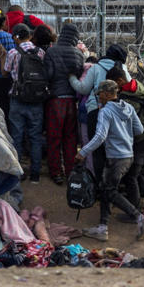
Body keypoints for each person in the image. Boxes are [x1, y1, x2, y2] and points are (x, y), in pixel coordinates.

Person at [75, 80, 144, 242]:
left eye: (100, 95)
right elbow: (139, 130)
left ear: (107, 94)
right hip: (128, 155)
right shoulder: (129, 108)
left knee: (109, 190)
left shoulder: (106, 112)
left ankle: (138, 216)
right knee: (106, 188)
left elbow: (100, 136)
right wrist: (123, 133)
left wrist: (83, 152)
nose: (99, 98)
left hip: (115, 157)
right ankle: (102, 227)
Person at [105, 63, 144, 216]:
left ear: (120, 81)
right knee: (137, 173)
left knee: (131, 176)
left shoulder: (127, 99)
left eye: (113, 85)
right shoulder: (138, 88)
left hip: (139, 142)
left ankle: (135, 212)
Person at [69, 44, 130, 183]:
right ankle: (113, 181)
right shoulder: (123, 70)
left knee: (94, 146)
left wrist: (71, 78)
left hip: (95, 110)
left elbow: (83, 89)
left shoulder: (95, 68)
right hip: (116, 110)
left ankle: (95, 180)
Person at [1, 23, 46, 183]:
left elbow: (5, 72)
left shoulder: (13, 52)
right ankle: (35, 175)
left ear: (16, 37)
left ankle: (17, 174)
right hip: (36, 99)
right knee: (35, 137)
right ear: (30, 36)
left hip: (17, 99)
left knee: (17, 136)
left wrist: (2, 56)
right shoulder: (40, 52)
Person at [43, 23, 84, 185]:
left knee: (54, 138)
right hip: (71, 101)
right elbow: (79, 76)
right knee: (70, 139)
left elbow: (48, 74)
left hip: (55, 101)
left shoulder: (51, 51)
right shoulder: (79, 54)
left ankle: (55, 172)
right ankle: (70, 171)